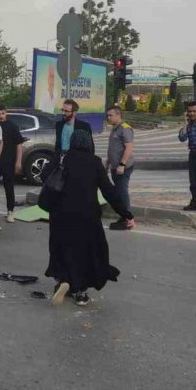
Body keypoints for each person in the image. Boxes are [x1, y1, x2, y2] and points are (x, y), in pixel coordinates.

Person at [39, 129, 131, 307]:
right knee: (85, 251)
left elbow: (45, 177)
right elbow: (109, 191)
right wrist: (126, 214)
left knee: (61, 247)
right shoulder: (94, 162)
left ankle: (62, 280)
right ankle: (80, 291)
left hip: (60, 214)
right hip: (86, 216)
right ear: (89, 143)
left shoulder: (62, 157)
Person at [104, 106, 135, 230]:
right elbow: (112, 148)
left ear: (118, 115)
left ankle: (127, 219)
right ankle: (124, 216)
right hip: (115, 167)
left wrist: (122, 164)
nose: (108, 117)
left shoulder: (125, 129)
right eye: (107, 115)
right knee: (118, 192)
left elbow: (129, 148)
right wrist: (107, 163)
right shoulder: (114, 129)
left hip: (123, 167)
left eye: (111, 115)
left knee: (122, 192)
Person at [0, 104, 26, 223]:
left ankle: (10, 212)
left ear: (6, 113)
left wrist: (18, 162)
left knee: (9, 187)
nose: (1, 116)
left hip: (9, 161)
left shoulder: (12, 126)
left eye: (3, 113)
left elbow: (19, 144)